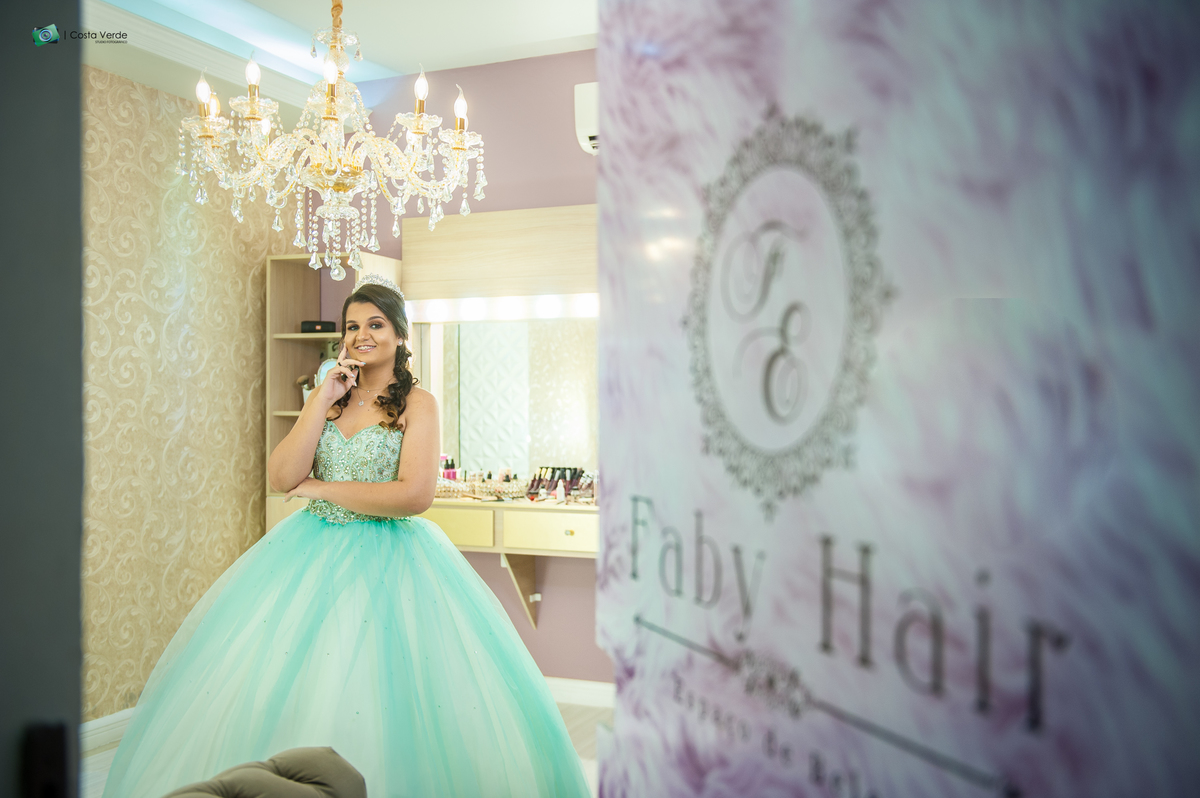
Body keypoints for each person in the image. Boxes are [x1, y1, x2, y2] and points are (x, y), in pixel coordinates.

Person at [102, 273, 590, 797]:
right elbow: (282, 476)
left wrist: (322, 487)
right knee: (301, 679)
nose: (362, 335)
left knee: (385, 688)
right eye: (352, 326)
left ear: (400, 335)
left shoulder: (418, 404)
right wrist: (320, 399)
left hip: (392, 556)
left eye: (376, 324)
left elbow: (413, 495)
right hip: (310, 554)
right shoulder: (330, 396)